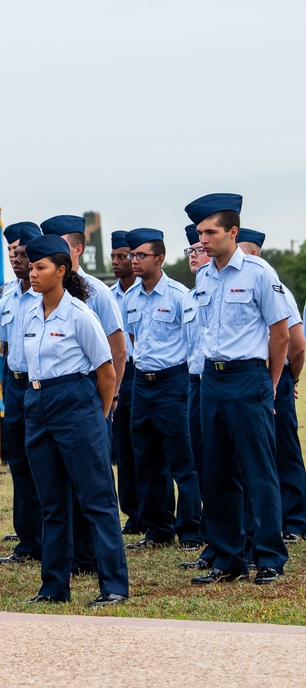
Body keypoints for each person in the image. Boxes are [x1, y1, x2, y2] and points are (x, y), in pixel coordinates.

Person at [184, 192, 291, 586]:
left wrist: (271, 382)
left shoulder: (259, 273)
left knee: (258, 470)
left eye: (210, 232)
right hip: (211, 378)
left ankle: (269, 557)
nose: (203, 240)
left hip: (249, 377)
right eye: (199, 233)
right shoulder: (204, 275)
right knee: (216, 471)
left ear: (233, 231)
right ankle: (228, 558)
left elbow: (280, 334)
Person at [20, 234, 128, 606]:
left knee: (96, 500)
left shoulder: (81, 314)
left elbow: (106, 371)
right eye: (31, 267)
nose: (33, 274)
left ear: (61, 271)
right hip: (38, 403)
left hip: (76, 403)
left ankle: (112, 585)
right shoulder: (31, 312)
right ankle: (54, 587)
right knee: (51, 503)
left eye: (40, 267)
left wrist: (95, 419)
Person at [41, 215, 126, 576]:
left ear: (73, 252)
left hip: (85, 394)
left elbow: (115, 353)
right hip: (46, 401)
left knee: (94, 488)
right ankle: (68, 565)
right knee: (55, 494)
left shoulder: (94, 295)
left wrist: (104, 406)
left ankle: (97, 562)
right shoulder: (34, 303)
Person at [121, 228, 202, 550]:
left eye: (141, 255)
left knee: (183, 460)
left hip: (173, 382)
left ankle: (192, 530)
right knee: (147, 459)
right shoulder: (129, 298)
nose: (134, 261)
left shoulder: (180, 296)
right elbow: (132, 341)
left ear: (160, 258)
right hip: (142, 382)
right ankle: (158, 529)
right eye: (132, 255)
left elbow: (193, 341)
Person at [235, 228, 306, 544]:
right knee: (258, 453)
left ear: (250, 254)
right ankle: (272, 520)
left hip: (272, 376)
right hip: (254, 376)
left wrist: (291, 377)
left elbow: (297, 344)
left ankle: (296, 521)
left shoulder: (277, 289)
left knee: (283, 450)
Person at [0, 222, 43, 565]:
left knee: (47, 463)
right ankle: (28, 540)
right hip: (15, 382)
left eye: (22, 253)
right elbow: (7, 344)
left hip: (43, 385)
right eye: (11, 251)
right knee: (20, 464)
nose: (15, 258)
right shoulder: (7, 294)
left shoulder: (48, 291)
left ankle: (54, 538)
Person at [179, 224, 214, 571]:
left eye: (199, 248)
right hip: (196, 383)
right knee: (203, 463)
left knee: (232, 465)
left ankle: (251, 541)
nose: (194, 254)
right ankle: (215, 541)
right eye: (190, 250)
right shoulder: (189, 298)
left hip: (227, 380)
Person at [109, 230, 140, 535]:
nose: (118, 262)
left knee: (147, 446)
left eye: (124, 256)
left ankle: (157, 510)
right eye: (115, 257)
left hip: (143, 372)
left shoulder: (146, 291)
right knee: (125, 448)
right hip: (119, 373)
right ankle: (133, 512)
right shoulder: (108, 295)